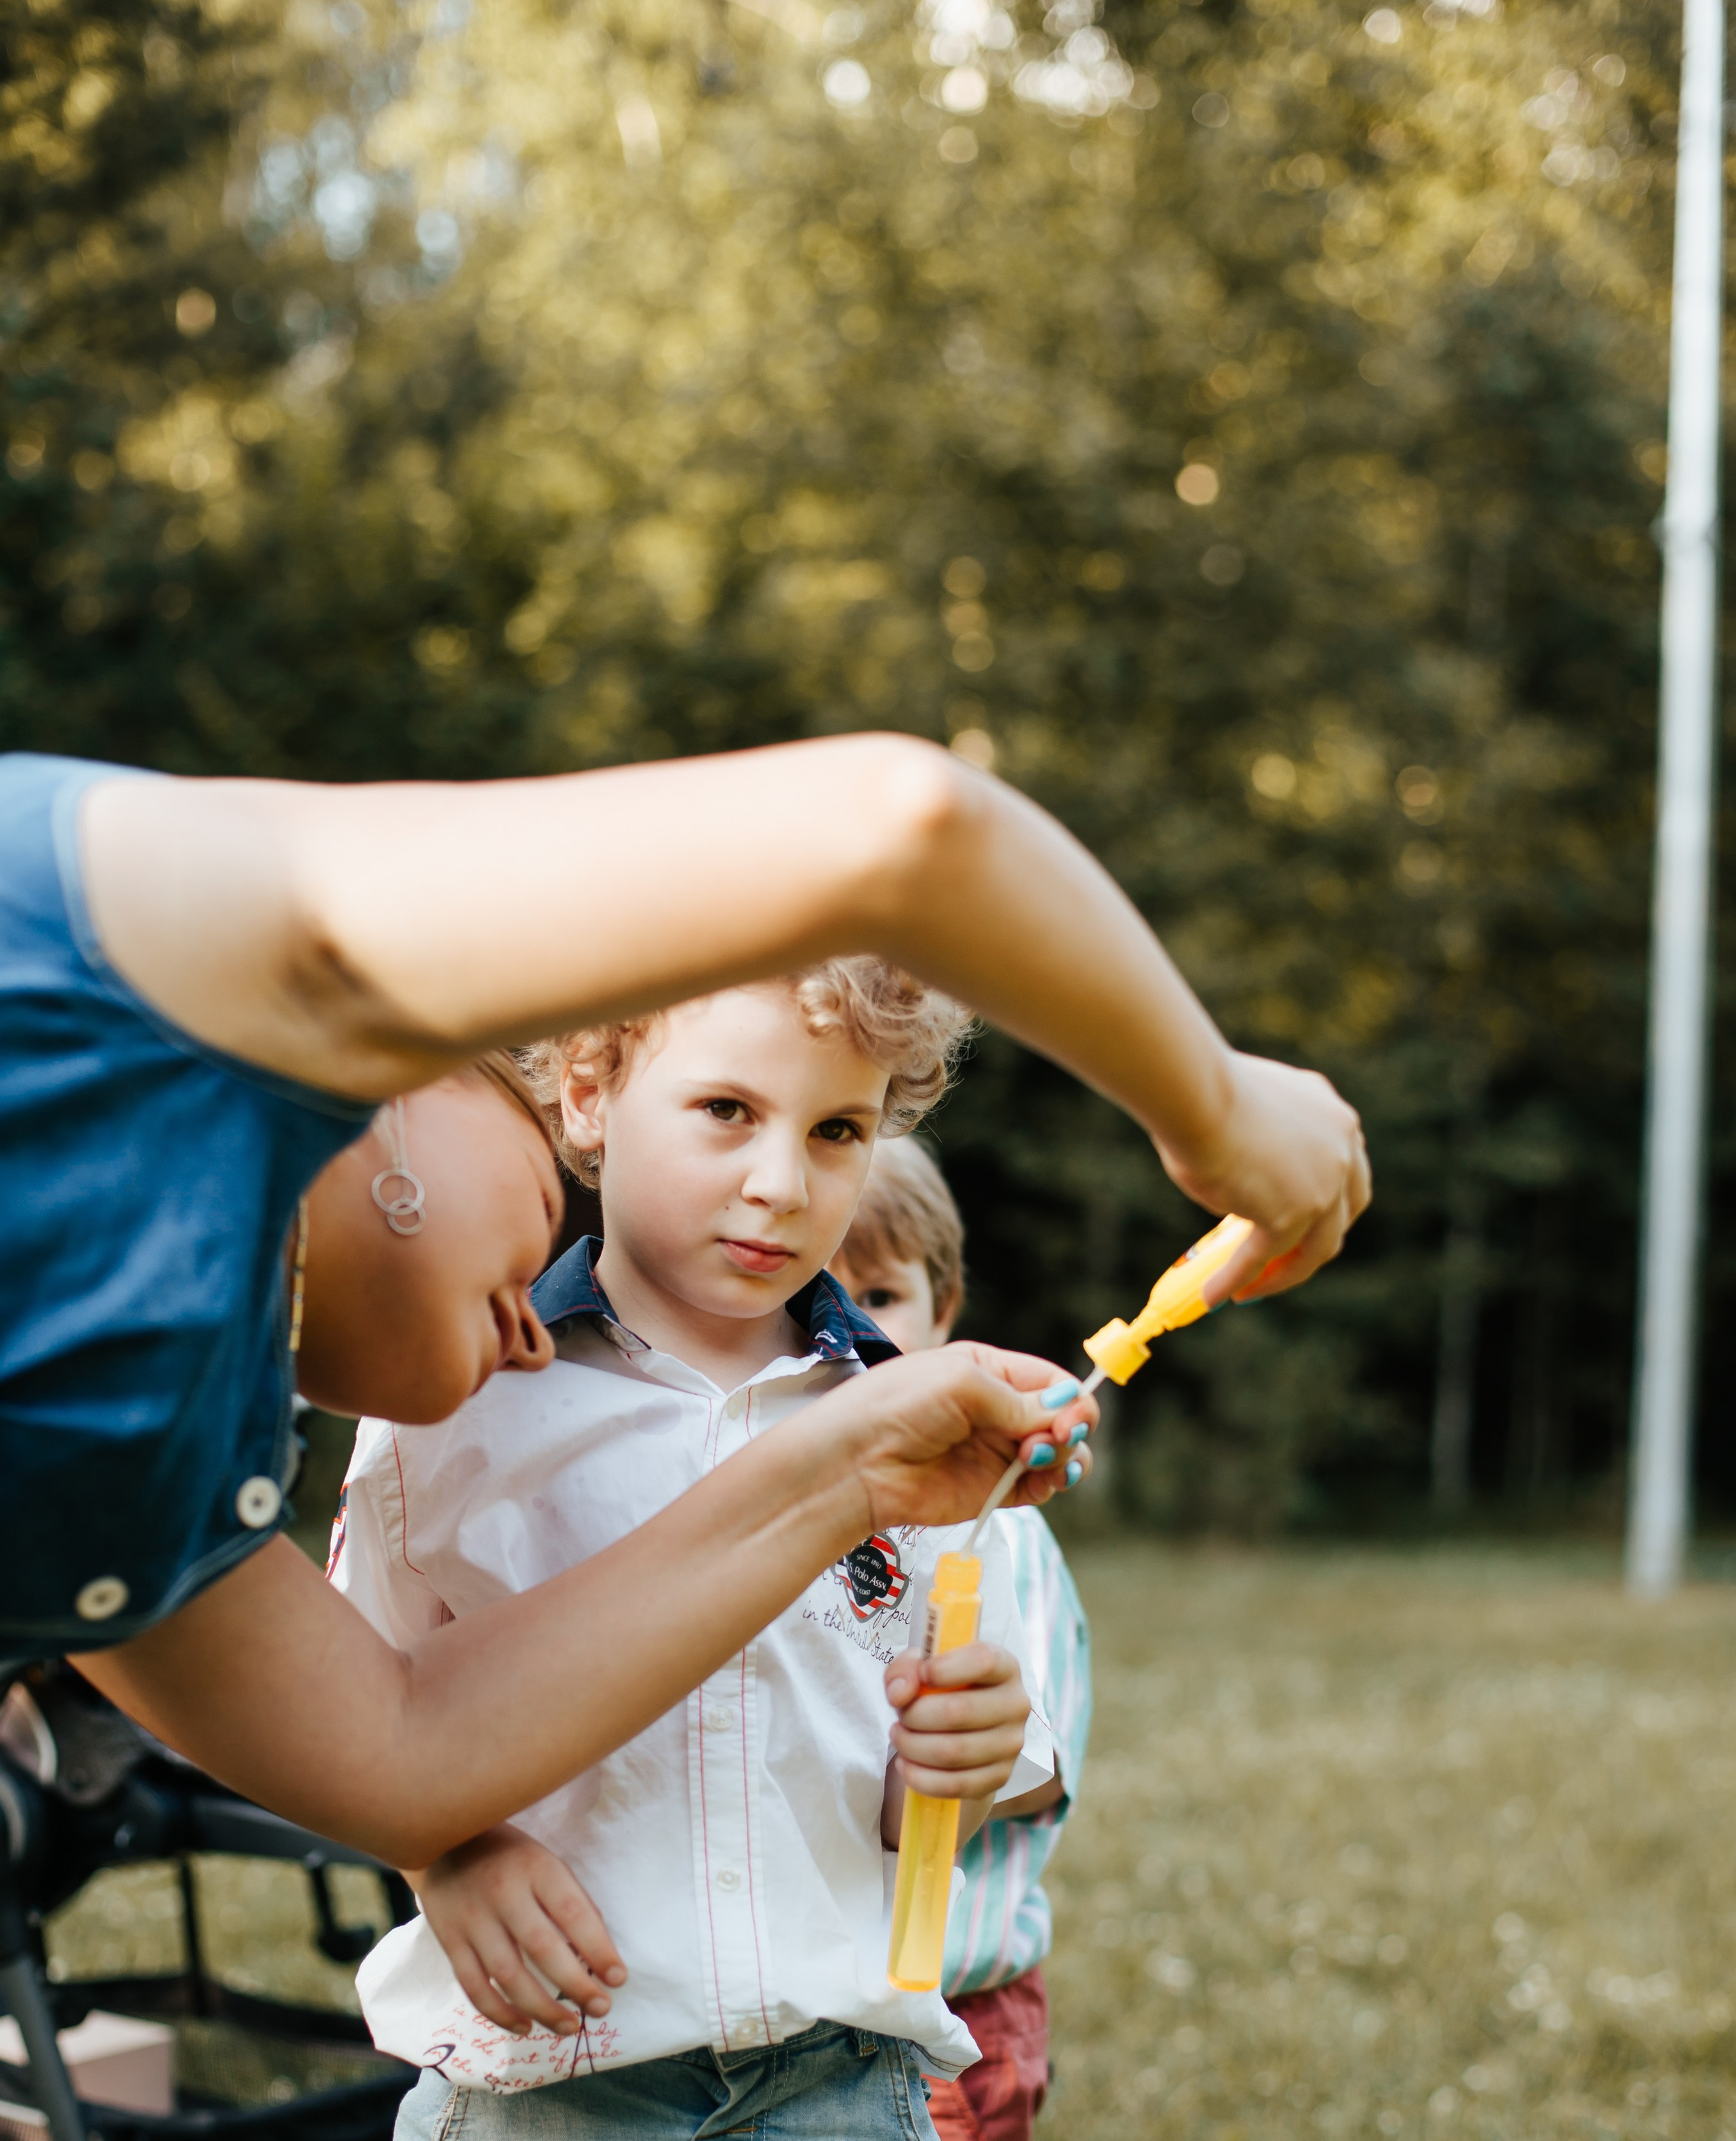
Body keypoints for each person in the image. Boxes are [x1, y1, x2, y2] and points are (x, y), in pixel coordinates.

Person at [2, 739, 1368, 1858]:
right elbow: (902, 833)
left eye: (835, 1133)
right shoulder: (144, 933)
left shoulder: (151, 1483)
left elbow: (404, 1754)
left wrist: (840, 1476)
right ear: (410, 1075)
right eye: (547, 1195)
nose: (533, 1314)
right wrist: (1220, 1114)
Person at [330, 967, 1062, 2141]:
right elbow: (342, 1708)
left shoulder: (909, 1426)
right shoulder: (461, 1406)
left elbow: (940, 1744)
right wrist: (443, 1852)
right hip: (538, 2114)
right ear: (589, 1097)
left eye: (837, 1130)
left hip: (833, 2107)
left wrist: (972, 1747)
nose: (779, 1181)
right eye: (725, 1111)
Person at [833, 1137, 1136, 2141]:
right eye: (811, 1299)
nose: (847, 1332)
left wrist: (949, 1748)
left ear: (944, 1316)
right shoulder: (781, 1519)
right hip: (797, 2028)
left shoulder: (985, 1518)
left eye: (880, 1294)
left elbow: (1036, 1759)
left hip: (935, 2036)